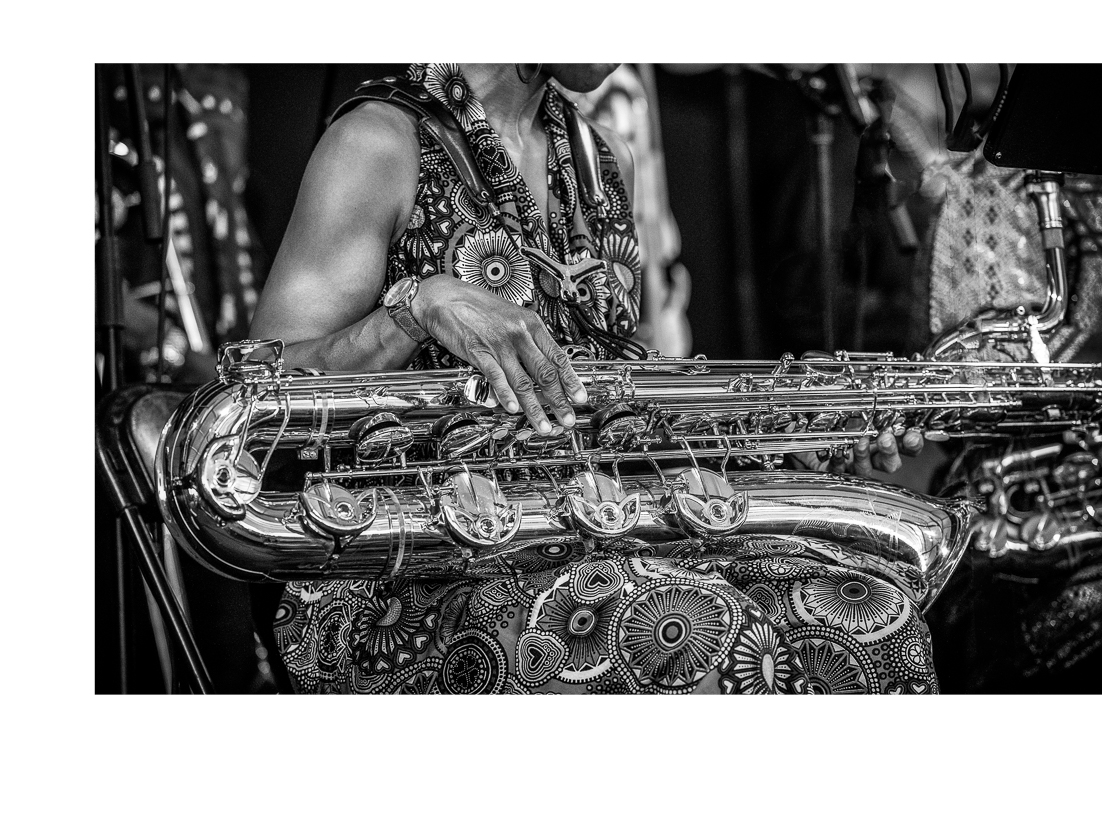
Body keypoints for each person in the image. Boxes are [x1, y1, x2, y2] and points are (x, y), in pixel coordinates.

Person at [251, 63, 938, 694]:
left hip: (589, 537)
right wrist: (417, 308)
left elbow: (613, 398)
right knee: (698, 638)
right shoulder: (377, 142)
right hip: (401, 569)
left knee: (877, 623)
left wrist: (787, 431)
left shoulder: (606, 159)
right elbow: (258, 397)